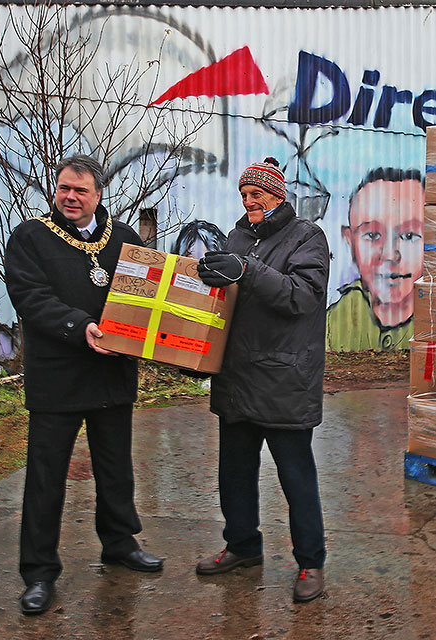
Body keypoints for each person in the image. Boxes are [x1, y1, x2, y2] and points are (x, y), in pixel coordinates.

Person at [5, 154, 163, 616]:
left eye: (80, 191)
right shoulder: (31, 237)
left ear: (98, 194)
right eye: (63, 189)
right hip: (58, 376)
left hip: (111, 374)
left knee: (115, 468)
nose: (70, 198)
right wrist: (82, 327)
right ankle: (37, 572)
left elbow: (149, 294)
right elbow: (31, 297)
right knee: (46, 477)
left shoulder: (125, 240)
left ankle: (119, 543)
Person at [196, 156, 330, 603]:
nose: (249, 201)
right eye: (244, 195)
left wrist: (246, 270)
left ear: (278, 194)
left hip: (283, 379)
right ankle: (242, 546)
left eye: (257, 193)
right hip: (236, 377)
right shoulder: (238, 236)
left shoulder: (307, 236)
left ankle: (311, 562)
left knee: (296, 477)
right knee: (234, 473)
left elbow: (301, 298)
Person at [327, 168, 424, 351]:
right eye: (371, 235)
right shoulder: (332, 323)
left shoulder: (430, 320)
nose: (389, 255)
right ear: (350, 241)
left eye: (409, 235)